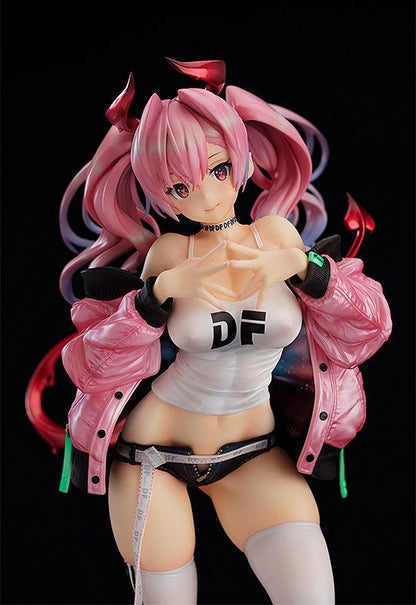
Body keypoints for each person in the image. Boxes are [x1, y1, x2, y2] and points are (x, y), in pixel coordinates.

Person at [58, 58, 392, 605]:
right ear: (162, 194)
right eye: (179, 186)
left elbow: (368, 330)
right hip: (153, 455)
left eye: (217, 170)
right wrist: (153, 299)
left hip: (255, 451)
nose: (207, 196)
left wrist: (308, 271)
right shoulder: (170, 252)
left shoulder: (278, 237)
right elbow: (94, 365)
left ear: (240, 160)